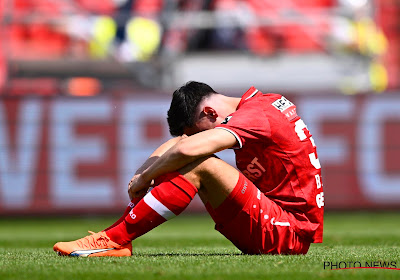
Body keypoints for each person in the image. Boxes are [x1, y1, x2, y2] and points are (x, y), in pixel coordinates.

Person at [53, 81, 324, 257]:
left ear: (209, 113)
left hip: (288, 233)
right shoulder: (256, 108)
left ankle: (114, 240)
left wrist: (147, 177)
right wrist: (142, 174)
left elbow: (186, 149)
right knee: (191, 157)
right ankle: (116, 239)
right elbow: (181, 143)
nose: (196, 138)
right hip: (275, 224)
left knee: (200, 162)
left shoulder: (257, 114)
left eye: (197, 132)